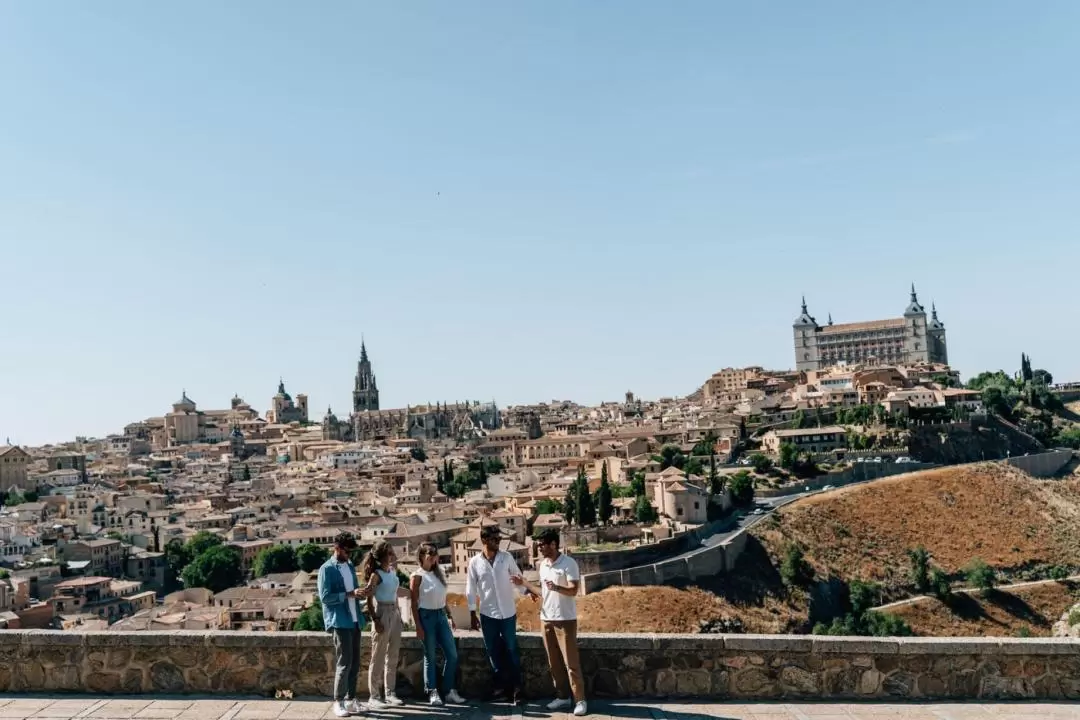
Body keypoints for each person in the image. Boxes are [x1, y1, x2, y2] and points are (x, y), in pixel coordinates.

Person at [513, 528, 587, 717]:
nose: (539, 547)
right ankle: (562, 698)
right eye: (538, 543)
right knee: (554, 663)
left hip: (565, 619)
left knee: (571, 663)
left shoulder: (568, 563)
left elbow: (573, 591)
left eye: (542, 544)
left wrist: (557, 587)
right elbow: (543, 591)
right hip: (546, 619)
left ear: (553, 544)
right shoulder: (543, 565)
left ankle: (580, 700)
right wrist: (524, 584)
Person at [465, 523, 533, 705]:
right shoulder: (474, 563)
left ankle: (518, 690)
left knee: (511, 650)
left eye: (499, 539)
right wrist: (472, 614)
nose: (498, 542)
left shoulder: (507, 557)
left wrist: (528, 591)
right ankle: (500, 689)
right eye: (495, 539)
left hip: (508, 613)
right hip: (487, 615)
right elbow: (470, 589)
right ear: (484, 540)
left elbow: (518, 578)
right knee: (493, 652)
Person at [317, 531, 371, 718]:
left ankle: (351, 699)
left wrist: (360, 594)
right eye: (347, 551)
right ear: (337, 548)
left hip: (355, 619)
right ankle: (338, 702)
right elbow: (325, 598)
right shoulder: (326, 569)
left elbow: (353, 592)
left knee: (355, 663)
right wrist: (348, 594)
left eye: (351, 552)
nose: (349, 555)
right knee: (344, 662)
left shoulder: (348, 565)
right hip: (340, 621)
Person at [409, 542, 465, 707]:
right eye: (430, 554)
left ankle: (448, 691)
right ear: (422, 556)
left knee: (452, 655)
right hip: (426, 617)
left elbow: (442, 598)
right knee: (430, 656)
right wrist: (418, 626)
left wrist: (450, 615)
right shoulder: (417, 576)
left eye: (435, 554)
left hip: (440, 615)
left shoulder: (438, 574)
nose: (433, 557)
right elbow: (413, 603)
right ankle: (432, 691)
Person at [361, 539, 409, 709]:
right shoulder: (376, 575)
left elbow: (395, 592)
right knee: (378, 656)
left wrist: (400, 614)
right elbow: (368, 599)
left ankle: (390, 693)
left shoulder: (392, 571)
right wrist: (375, 620)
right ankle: (374, 696)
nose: (392, 555)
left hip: (394, 613)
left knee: (393, 656)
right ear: (382, 556)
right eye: (389, 553)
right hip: (381, 612)